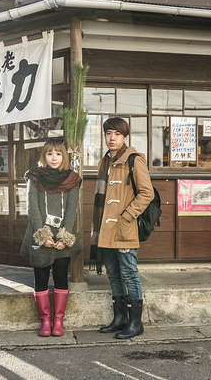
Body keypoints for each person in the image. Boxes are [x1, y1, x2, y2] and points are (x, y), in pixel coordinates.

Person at [90, 117, 154, 339]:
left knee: (129, 274)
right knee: (114, 275)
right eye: (108, 133)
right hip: (106, 230)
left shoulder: (134, 160)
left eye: (117, 134)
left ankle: (136, 322)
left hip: (124, 228)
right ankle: (119, 318)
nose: (112, 137)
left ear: (125, 137)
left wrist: (127, 216)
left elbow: (147, 193)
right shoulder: (105, 161)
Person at [21, 140, 81, 337]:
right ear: (43, 157)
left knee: (61, 277)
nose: (54, 158)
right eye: (49, 154)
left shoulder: (72, 179)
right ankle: (45, 320)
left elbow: (72, 210)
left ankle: (58, 321)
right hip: (41, 235)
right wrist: (42, 235)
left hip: (62, 237)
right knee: (41, 278)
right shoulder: (34, 177)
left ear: (64, 157)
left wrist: (66, 236)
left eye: (58, 154)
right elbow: (32, 207)